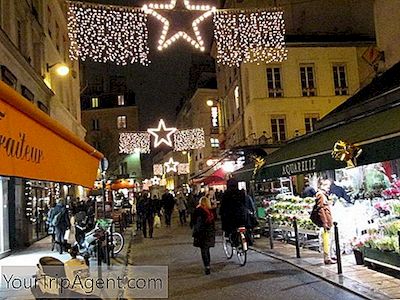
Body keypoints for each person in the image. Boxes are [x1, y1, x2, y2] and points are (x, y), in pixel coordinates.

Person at [190, 196, 216, 275]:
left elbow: (193, 221)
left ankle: (207, 265)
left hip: (201, 233)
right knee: (207, 249)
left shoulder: (198, 210)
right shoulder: (210, 210)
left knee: (203, 250)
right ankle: (208, 264)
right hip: (209, 232)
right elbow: (213, 222)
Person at [220, 178, 247, 244]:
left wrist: (221, 213)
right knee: (243, 226)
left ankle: (232, 239)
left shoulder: (226, 194)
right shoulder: (241, 193)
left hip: (230, 215)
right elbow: (244, 203)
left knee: (230, 227)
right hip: (241, 214)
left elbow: (223, 205)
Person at [316, 178, 336, 264]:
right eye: (327, 185)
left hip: (327, 221)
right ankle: (327, 258)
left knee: (328, 239)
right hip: (326, 222)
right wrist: (325, 222)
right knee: (327, 240)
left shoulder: (323, 195)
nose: (328, 187)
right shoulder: (321, 195)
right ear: (322, 185)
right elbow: (321, 209)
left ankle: (328, 256)